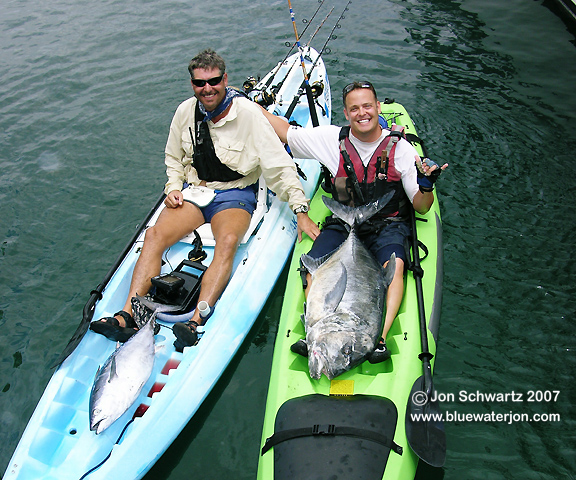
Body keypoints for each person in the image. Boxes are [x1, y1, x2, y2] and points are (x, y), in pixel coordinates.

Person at [90, 48, 320, 351]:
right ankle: (128, 314)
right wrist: (173, 186)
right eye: (200, 83)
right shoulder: (185, 111)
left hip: (236, 193)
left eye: (213, 81)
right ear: (192, 84)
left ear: (225, 79)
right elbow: (174, 157)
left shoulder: (249, 114)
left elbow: (279, 166)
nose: (207, 89)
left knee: (226, 242)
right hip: (197, 191)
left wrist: (300, 209)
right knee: (154, 234)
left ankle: (196, 320)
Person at [261, 81, 447, 362]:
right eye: (354, 108)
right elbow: (285, 132)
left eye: (367, 106)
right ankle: (314, 330)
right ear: (346, 114)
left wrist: (427, 186)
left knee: (394, 267)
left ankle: (379, 337)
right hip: (344, 223)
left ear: (377, 108)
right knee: (311, 267)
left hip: (389, 224)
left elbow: (420, 208)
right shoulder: (330, 139)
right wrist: (239, 102)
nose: (362, 113)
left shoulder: (403, 150)